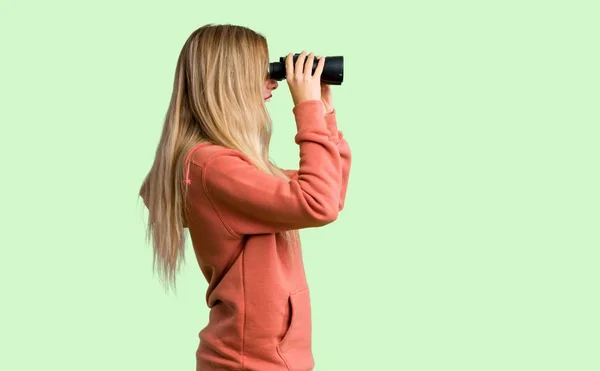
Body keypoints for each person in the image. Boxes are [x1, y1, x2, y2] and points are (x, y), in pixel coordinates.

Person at [139, 23, 351, 371]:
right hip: (252, 362)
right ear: (230, 82)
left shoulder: (230, 165)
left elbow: (330, 191)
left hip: (263, 359)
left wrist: (324, 114)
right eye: (263, 72)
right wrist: (307, 109)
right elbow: (319, 203)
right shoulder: (213, 167)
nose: (273, 83)